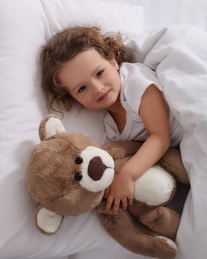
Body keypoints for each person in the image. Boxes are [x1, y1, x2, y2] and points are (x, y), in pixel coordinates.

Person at [39, 26, 183, 215]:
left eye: (99, 73)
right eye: (82, 89)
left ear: (112, 60)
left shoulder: (135, 82)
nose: (98, 88)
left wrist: (127, 175)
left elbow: (159, 136)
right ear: (74, 99)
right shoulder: (111, 127)